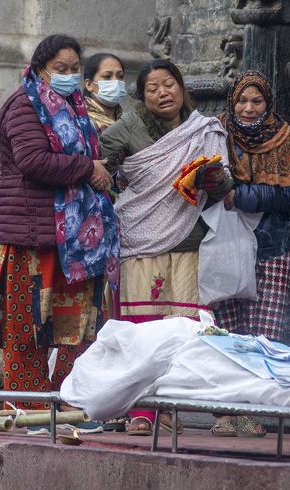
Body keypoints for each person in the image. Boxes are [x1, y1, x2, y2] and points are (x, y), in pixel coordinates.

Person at [99, 59, 230, 435]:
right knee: (142, 332)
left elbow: (223, 190)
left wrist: (213, 178)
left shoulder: (204, 130)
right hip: (139, 243)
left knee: (188, 331)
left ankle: (180, 406)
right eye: (152, 88)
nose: (163, 93)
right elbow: (98, 167)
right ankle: (144, 411)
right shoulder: (129, 128)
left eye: (169, 84)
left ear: (181, 87)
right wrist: (115, 188)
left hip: (190, 245)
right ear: (142, 97)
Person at [0, 34, 119, 412]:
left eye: (75, 70)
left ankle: (67, 402)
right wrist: (87, 169)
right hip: (34, 239)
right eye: (60, 69)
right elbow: (33, 161)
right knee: (27, 332)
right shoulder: (23, 106)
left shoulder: (76, 109)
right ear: (40, 69)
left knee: (76, 329)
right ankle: (27, 409)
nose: (69, 76)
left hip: (75, 242)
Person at [209, 70, 290, 437]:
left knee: (263, 333)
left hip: (273, 244)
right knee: (226, 329)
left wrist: (243, 196)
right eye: (242, 100)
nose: (249, 108)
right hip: (224, 245)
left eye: (257, 101)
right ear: (231, 101)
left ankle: (253, 410)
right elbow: (202, 181)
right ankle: (224, 411)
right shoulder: (215, 134)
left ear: (268, 103)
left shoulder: (288, 140)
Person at [82, 52, 126, 134]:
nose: (116, 82)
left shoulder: (128, 121)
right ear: (89, 84)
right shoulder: (80, 122)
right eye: (107, 76)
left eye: (120, 76)